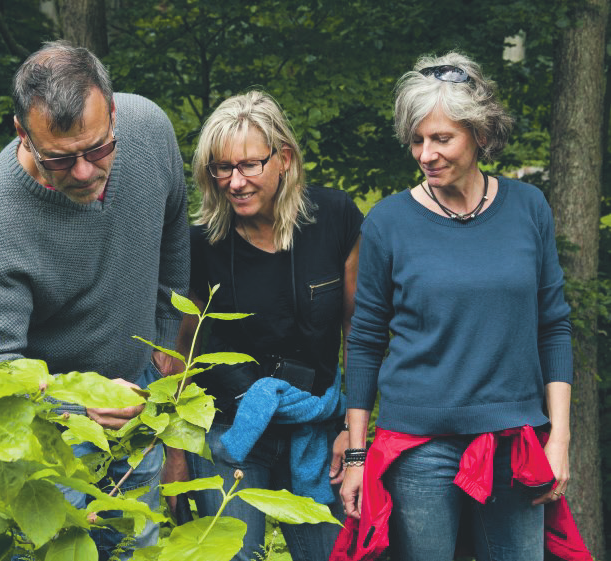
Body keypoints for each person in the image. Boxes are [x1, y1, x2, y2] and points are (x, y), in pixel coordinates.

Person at [341, 52, 574, 561]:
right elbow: (363, 343)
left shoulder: (529, 208)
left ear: (481, 135)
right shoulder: (387, 222)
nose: (426, 153)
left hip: (514, 439)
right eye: (417, 140)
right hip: (418, 447)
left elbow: (553, 327)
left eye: (442, 138)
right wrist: (357, 454)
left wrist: (559, 438)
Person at [0, 41, 189, 560]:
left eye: (98, 149)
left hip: (139, 392)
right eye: (61, 158)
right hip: (52, 432)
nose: (85, 172)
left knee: (137, 547)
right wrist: (76, 402)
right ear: (23, 133)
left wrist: (163, 337)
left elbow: (175, 229)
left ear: (113, 114)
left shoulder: (149, 128)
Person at [185, 90, 363, 561]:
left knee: (332, 553)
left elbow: (358, 332)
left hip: (316, 423)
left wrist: (354, 430)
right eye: (221, 168)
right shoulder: (202, 243)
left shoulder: (335, 218)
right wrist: (176, 450)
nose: (235, 182)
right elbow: (184, 344)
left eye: (248, 165)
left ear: (284, 158)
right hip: (230, 428)